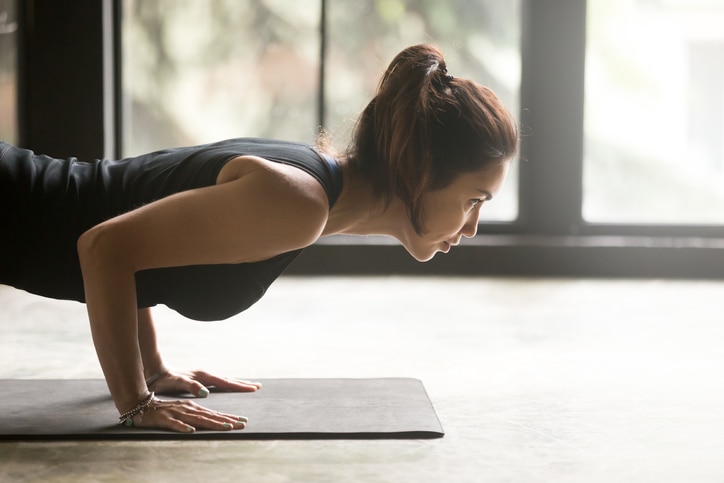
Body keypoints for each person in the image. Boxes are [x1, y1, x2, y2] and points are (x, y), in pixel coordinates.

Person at [0, 44, 518, 432]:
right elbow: (104, 248)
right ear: (422, 171)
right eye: (474, 199)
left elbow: (137, 237)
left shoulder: (307, 189)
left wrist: (153, 371)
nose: (471, 227)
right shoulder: (297, 203)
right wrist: (136, 402)